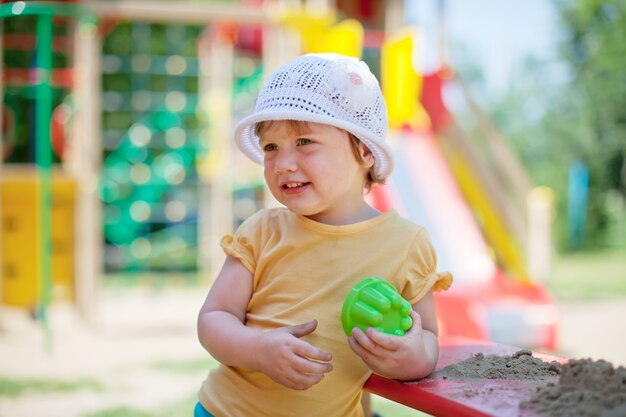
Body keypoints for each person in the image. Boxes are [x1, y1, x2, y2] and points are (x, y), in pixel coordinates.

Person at [195, 53, 452, 417]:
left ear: (363, 149)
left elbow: (428, 341)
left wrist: (410, 358)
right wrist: (258, 349)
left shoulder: (406, 244)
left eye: (304, 142)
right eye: (271, 147)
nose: (283, 163)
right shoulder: (263, 231)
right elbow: (214, 318)